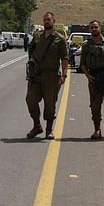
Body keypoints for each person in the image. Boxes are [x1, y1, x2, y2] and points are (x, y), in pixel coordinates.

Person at [26, 12, 69, 140]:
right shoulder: (37, 36)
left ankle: (49, 130)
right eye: (45, 20)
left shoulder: (59, 39)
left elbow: (65, 58)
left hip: (51, 76)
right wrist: (32, 62)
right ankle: (37, 125)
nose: (46, 22)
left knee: (50, 104)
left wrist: (64, 75)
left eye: (49, 20)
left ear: (53, 21)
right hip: (37, 75)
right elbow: (32, 50)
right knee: (30, 100)